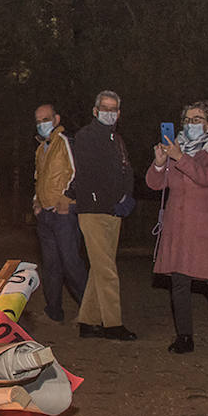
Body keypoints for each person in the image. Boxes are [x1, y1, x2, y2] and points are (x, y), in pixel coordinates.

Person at [147, 100, 208, 356]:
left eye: (197, 119)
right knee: (179, 283)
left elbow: (206, 178)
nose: (191, 124)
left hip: (206, 229)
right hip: (177, 227)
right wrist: (159, 163)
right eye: (187, 120)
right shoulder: (175, 148)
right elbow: (155, 184)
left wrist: (180, 157)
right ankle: (184, 338)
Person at [69, 90, 137, 340]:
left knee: (100, 266)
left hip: (114, 211)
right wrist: (108, 201)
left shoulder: (116, 139)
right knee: (107, 268)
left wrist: (127, 196)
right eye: (104, 108)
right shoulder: (86, 136)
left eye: (114, 109)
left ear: (119, 113)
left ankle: (87, 320)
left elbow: (125, 170)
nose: (109, 113)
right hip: (94, 211)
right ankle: (112, 323)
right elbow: (89, 176)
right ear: (95, 111)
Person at [31, 103, 87, 324]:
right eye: (38, 121)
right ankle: (53, 310)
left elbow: (79, 173)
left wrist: (66, 199)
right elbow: (38, 178)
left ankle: (91, 311)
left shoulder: (65, 142)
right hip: (45, 215)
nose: (42, 124)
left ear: (56, 119)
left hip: (63, 213)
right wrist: (36, 202)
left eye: (46, 119)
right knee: (51, 265)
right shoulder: (41, 148)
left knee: (72, 263)